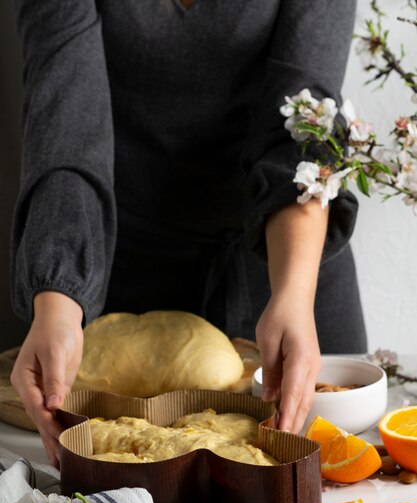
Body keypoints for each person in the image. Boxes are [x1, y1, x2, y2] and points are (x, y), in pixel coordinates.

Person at [10, 0, 366, 468]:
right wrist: (59, 294)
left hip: (288, 264)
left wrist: (294, 295)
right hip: (109, 269)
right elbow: (66, 118)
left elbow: (304, 114)